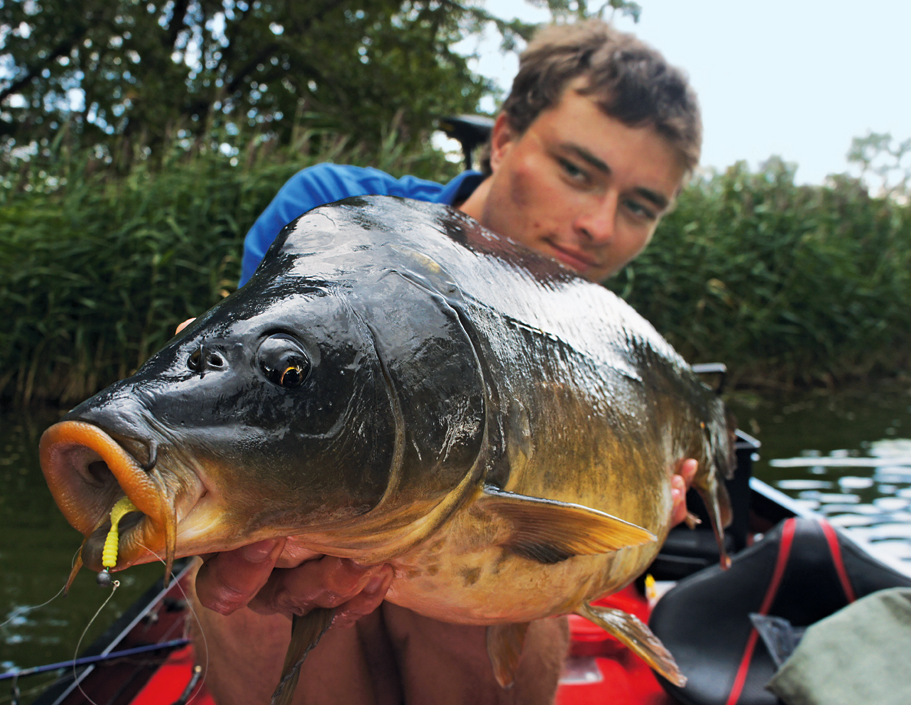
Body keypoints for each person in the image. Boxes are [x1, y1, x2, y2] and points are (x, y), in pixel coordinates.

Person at [188, 19, 703, 705]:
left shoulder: (594, 325)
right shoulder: (335, 216)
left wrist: (622, 526)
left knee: (501, 564)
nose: (599, 227)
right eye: (576, 171)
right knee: (254, 559)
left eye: (639, 206)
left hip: (462, 558)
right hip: (336, 528)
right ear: (503, 139)